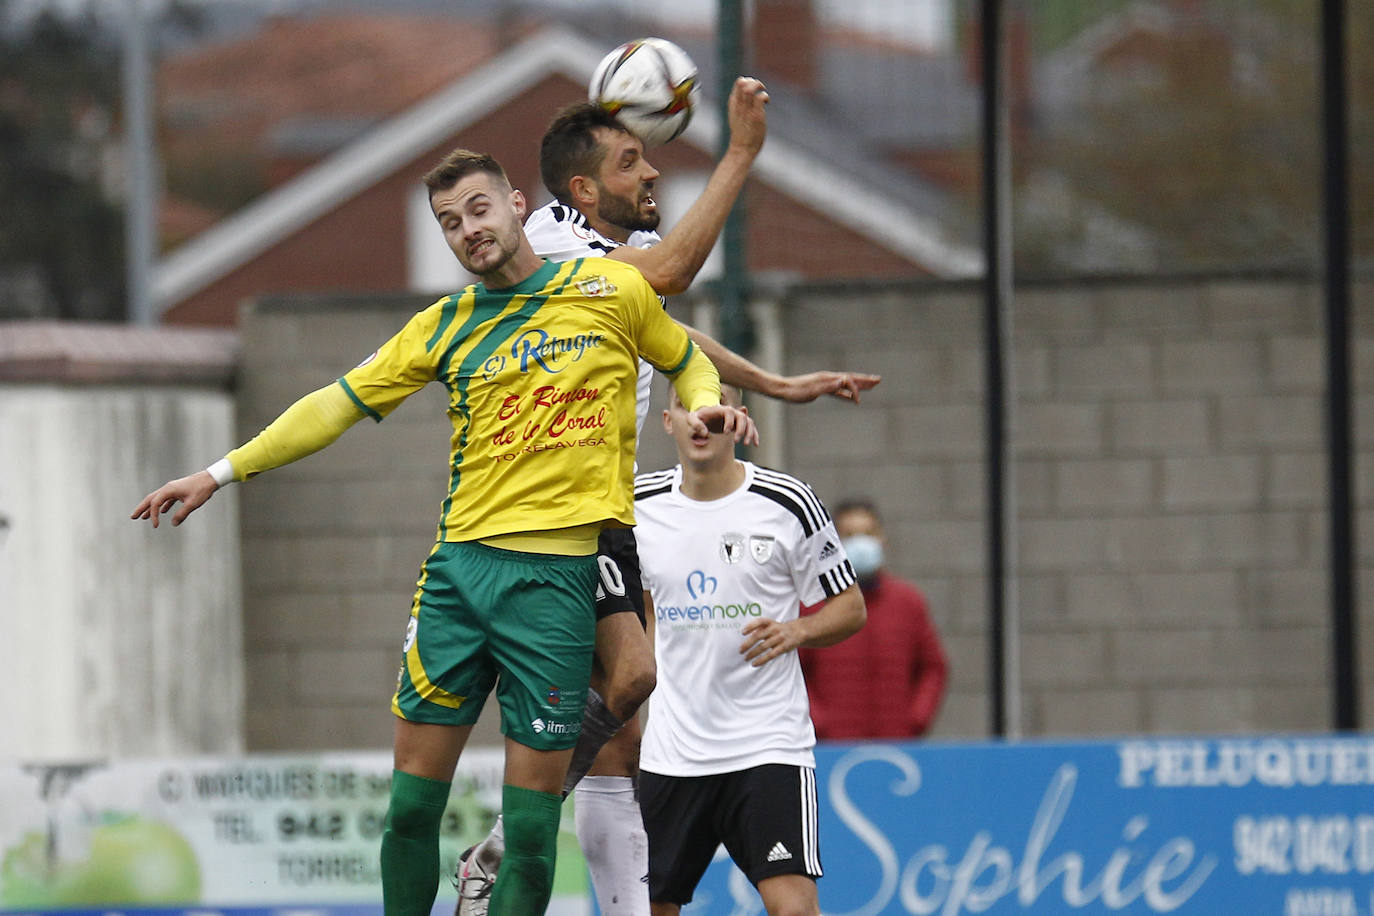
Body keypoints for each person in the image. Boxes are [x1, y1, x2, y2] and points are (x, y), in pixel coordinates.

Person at [131, 149, 753, 916]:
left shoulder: (609, 289)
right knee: (411, 811)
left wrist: (703, 407)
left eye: (479, 211)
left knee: (528, 835)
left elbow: (685, 358)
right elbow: (334, 405)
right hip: (458, 582)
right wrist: (219, 474)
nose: (468, 232)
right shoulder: (445, 324)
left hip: (557, 587)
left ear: (517, 205)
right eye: (450, 223)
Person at [456, 81, 881, 916]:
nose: (652, 172)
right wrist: (740, 154)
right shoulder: (550, 238)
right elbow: (677, 273)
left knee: (624, 725)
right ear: (583, 189)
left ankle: (498, 851)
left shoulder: (597, 265)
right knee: (631, 690)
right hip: (547, 516)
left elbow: (665, 325)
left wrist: (773, 383)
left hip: (598, 511)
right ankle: (501, 848)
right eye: (632, 161)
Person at [632, 385, 867, 916]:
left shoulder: (787, 503)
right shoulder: (638, 507)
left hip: (767, 746)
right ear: (667, 420)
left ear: (739, 420)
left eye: (716, 406)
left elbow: (851, 607)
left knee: (793, 906)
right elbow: (642, 616)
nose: (701, 419)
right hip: (673, 753)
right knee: (648, 906)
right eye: (689, 406)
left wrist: (798, 631)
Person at [800, 499, 948, 739]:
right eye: (850, 534)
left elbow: (933, 667)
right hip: (831, 747)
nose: (861, 542)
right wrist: (817, 721)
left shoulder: (908, 602)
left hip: (898, 742)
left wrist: (916, 718)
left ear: (882, 538)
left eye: (868, 533)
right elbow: (795, 670)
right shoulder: (813, 604)